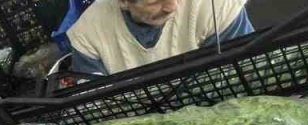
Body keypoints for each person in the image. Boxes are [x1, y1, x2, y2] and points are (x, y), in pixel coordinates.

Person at [66, 0, 254, 75]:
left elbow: (246, 69)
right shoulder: (88, 35)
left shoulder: (215, 7)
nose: (172, 7)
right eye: (155, 1)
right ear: (123, 2)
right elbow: (97, 108)